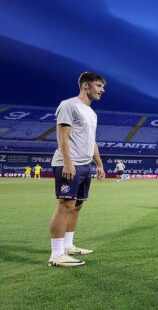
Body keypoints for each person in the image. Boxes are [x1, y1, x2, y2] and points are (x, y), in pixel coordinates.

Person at [48, 71, 106, 267]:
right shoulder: (69, 105)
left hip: (85, 164)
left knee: (78, 205)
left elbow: (92, 141)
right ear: (85, 86)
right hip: (69, 163)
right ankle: (56, 254)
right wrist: (68, 162)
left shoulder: (92, 113)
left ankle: (68, 245)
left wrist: (99, 164)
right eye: (99, 86)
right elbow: (62, 137)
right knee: (65, 205)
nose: (102, 90)